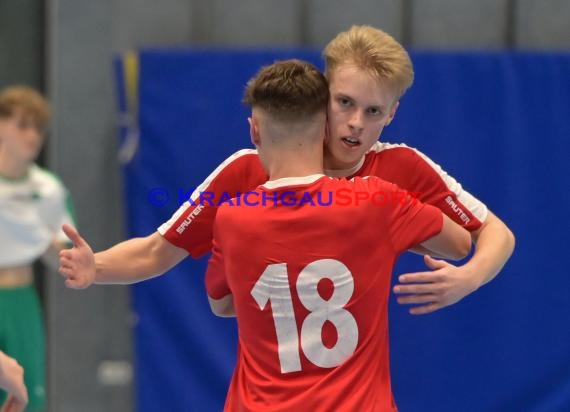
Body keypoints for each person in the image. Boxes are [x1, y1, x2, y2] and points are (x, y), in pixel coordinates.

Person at [59, 25, 515, 316]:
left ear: (393, 113)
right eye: (345, 103)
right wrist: (95, 266)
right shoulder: (250, 170)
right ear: (323, 94)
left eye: (373, 111)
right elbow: (158, 251)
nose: (356, 123)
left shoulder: (402, 168)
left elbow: (493, 234)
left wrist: (468, 278)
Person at [205, 58, 471, 410]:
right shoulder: (379, 200)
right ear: (324, 126)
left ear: (255, 131)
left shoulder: (231, 215)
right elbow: (460, 243)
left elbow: (222, 304)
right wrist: (385, 240)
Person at [0, 85, 75, 411]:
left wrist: (42, 236)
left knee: (26, 396)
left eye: (38, 128)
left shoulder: (48, 189)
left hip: (21, 303)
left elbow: (65, 256)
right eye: (22, 125)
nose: (32, 136)